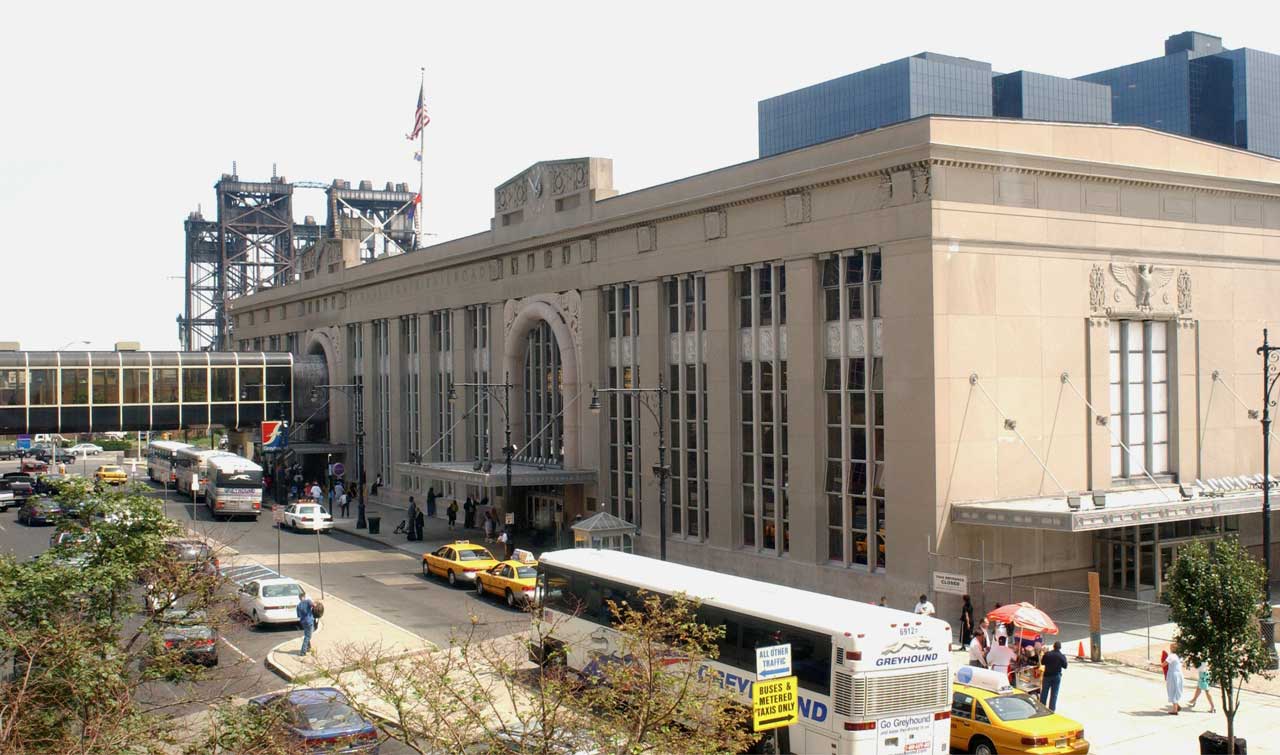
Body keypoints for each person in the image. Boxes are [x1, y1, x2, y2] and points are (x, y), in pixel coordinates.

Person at [1040, 641, 1068, 711]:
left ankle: (1042, 709)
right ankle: (1051, 710)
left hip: (1047, 676)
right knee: (1054, 695)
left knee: (1044, 693)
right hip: (1056, 676)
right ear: (1060, 648)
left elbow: (1042, 662)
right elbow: (1065, 666)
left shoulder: (1048, 654)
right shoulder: (1061, 656)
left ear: (1053, 646)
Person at [1165, 644, 1185, 714]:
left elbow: (1163, 664)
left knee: (1172, 690)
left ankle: (1175, 710)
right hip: (1179, 674)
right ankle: (1176, 706)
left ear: (1173, 648)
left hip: (1172, 675)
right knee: (1177, 690)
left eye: (1170, 647)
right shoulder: (1180, 656)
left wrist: (1152, 664)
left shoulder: (1171, 656)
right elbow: (1183, 664)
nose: (1169, 648)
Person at [296, 589, 316, 656]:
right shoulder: (308, 601)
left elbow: (298, 615)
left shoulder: (298, 605)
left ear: (299, 598)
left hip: (303, 622)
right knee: (308, 636)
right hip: (309, 621)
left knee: (307, 634)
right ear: (304, 596)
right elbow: (314, 605)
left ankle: (308, 648)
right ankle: (303, 651)